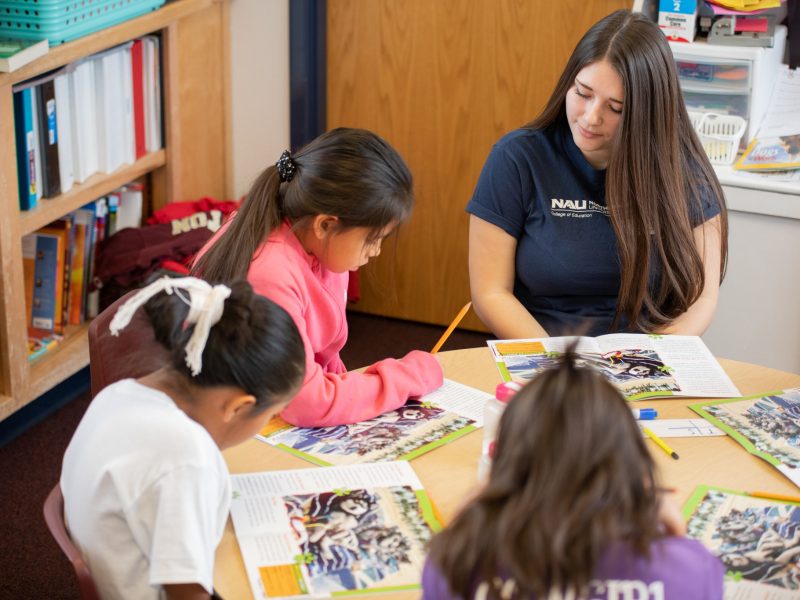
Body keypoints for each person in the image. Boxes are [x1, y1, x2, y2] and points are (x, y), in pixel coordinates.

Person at [468, 9, 728, 339]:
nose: (591, 118)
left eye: (615, 107)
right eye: (583, 93)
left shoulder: (684, 173)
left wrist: (656, 360)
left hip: (645, 360)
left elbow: (702, 297)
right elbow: (491, 293)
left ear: (647, 113)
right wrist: (559, 366)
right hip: (545, 354)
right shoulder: (517, 158)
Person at [60, 277, 306, 600]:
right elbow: (189, 594)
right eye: (272, 414)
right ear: (238, 407)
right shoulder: (187, 459)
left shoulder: (120, 393)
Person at [422, 347, 724, 599]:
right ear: (633, 464)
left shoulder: (455, 564)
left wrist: (480, 502)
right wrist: (674, 535)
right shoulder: (688, 570)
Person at [192, 127, 443, 427]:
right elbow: (307, 403)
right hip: (239, 424)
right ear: (325, 225)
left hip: (275, 402)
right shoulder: (270, 272)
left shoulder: (319, 246)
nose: (375, 252)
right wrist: (409, 377)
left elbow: (322, 366)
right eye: (372, 239)